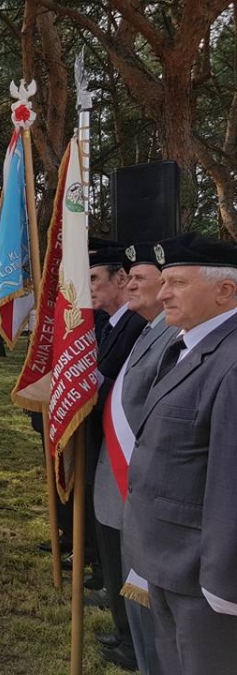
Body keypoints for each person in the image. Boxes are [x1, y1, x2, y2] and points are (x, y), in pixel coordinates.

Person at [123, 233, 237, 675]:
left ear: (225, 290)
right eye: (164, 281)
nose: (163, 294)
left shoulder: (231, 362)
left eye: (178, 283)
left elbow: (230, 483)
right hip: (166, 559)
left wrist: (224, 588)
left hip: (203, 578)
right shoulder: (187, 344)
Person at [95, 242, 176, 673]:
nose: (131, 285)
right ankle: (132, 642)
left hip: (140, 476)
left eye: (139, 278)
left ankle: (138, 648)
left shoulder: (168, 333)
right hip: (120, 467)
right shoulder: (149, 329)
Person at [86, 244, 147, 669]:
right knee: (109, 537)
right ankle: (122, 621)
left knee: (123, 543)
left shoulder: (137, 327)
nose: (88, 287)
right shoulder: (113, 323)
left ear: (119, 279)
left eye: (94, 278)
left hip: (124, 452)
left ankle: (131, 635)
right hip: (105, 444)